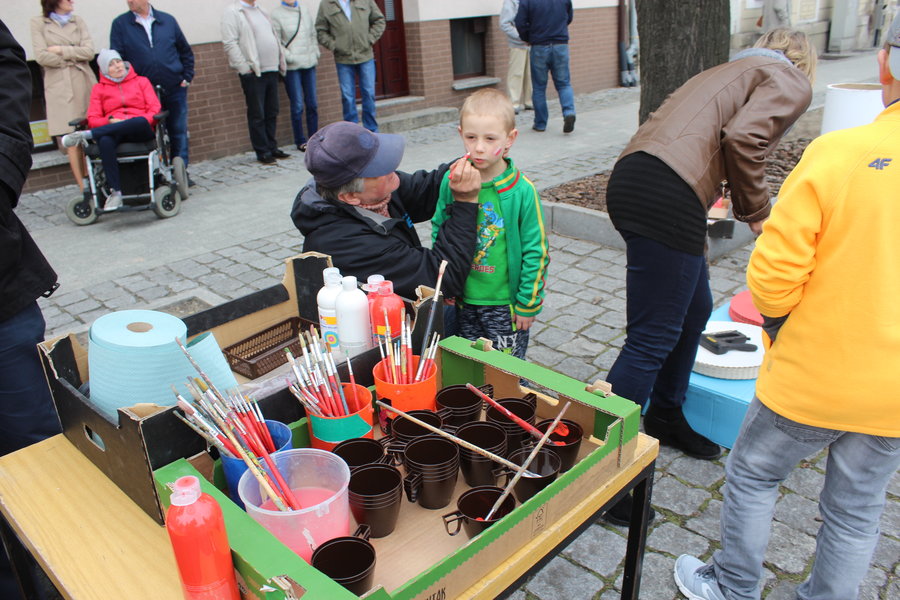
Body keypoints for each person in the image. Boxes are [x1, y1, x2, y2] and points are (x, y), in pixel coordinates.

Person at [673, 18, 900, 600]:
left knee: (753, 474)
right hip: (893, 396)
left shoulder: (841, 153)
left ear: (884, 64)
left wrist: (781, 324)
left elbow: (773, 276)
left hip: (814, 374)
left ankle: (732, 587)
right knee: (857, 510)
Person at [600, 29, 816, 526]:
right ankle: (603, 476)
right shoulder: (789, 77)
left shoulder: (727, 70)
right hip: (668, 189)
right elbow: (744, 139)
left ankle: (665, 414)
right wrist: (758, 212)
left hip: (636, 178)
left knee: (695, 308)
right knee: (650, 339)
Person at [291, 121, 481, 300]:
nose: (392, 167)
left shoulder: (376, 192)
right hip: (382, 321)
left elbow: (425, 189)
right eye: (379, 167)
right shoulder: (347, 245)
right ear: (350, 196)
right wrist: (465, 202)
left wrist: (477, 156)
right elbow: (442, 279)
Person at [430, 89, 548, 359]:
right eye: (471, 137)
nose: (479, 147)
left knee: (506, 368)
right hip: (464, 300)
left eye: (490, 138)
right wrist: (446, 283)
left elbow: (536, 250)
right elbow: (440, 230)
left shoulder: (521, 191)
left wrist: (527, 304)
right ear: (461, 133)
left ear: (510, 139)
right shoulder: (453, 181)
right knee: (469, 363)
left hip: (504, 305)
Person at [62, 49, 161, 210]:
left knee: (140, 121)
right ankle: (116, 193)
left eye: (118, 61)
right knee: (105, 140)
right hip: (113, 131)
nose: (117, 66)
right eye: (111, 64)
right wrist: (109, 121)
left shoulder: (141, 81)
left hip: (139, 130)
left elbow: (155, 110)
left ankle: (88, 135)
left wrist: (130, 121)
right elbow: (93, 119)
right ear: (104, 70)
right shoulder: (99, 89)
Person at [110, 0, 194, 180]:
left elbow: (184, 51)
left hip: (173, 86)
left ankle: (180, 174)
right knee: (149, 133)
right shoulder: (121, 24)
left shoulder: (167, 20)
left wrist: (186, 77)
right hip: (142, 92)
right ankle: (155, 175)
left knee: (178, 130)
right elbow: (118, 58)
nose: (130, 1)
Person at [30, 0, 97, 195]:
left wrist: (61, 50)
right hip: (60, 87)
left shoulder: (78, 21)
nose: (71, 2)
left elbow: (89, 52)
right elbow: (42, 57)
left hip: (84, 82)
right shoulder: (38, 23)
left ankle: (96, 182)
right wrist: (75, 54)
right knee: (71, 138)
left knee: (90, 134)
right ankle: (84, 188)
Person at [222, 0, 289, 165]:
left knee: (272, 111)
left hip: (271, 68)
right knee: (257, 113)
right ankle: (262, 151)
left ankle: (272, 146)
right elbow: (230, 43)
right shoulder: (233, 12)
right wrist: (244, 68)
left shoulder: (261, 10)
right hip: (254, 72)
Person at [315, 0, 385, 132]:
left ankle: (371, 131)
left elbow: (379, 20)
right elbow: (320, 30)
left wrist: (369, 39)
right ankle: (351, 132)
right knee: (347, 97)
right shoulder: (327, 4)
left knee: (369, 93)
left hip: (365, 56)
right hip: (343, 59)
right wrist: (334, 45)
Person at [515, 0, 576, 134]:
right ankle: (569, 112)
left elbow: (519, 22)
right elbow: (569, 16)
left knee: (539, 87)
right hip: (560, 44)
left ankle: (540, 123)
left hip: (539, 45)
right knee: (564, 84)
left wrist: (529, 38)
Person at [272, 0, 319, 152]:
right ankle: (300, 140)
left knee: (312, 104)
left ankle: (314, 139)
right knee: (297, 105)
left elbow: (312, 34)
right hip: (292, 68)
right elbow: (277, 42)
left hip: (309, 64)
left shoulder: (304, 10)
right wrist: (290, 57)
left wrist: (315, 52)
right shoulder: (276, 15)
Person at [500, 0, 532, 114]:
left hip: (532, 43)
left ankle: (529, 101)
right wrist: (522, 37)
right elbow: (505, 24)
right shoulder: (511, 2)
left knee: (530, 74)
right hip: (517, 44)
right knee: (516, 74)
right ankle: (513, 103)